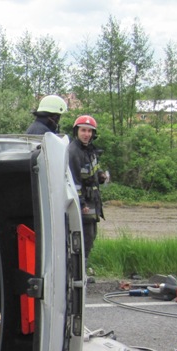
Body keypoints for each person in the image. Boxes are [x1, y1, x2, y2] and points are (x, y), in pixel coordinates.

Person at [68, 114, 108, 269]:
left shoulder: (90, 150)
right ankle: (79, 270)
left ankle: (82, 269)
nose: (86, 134)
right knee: (84, 237)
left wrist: (101, 176)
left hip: (93, 202)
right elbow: (74, 181)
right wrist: (81, 203)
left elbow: (91, 172)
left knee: (91, 236)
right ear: (77, 131)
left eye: (90, 131)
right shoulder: (73, 152)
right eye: (83, 130)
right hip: (83, 203)